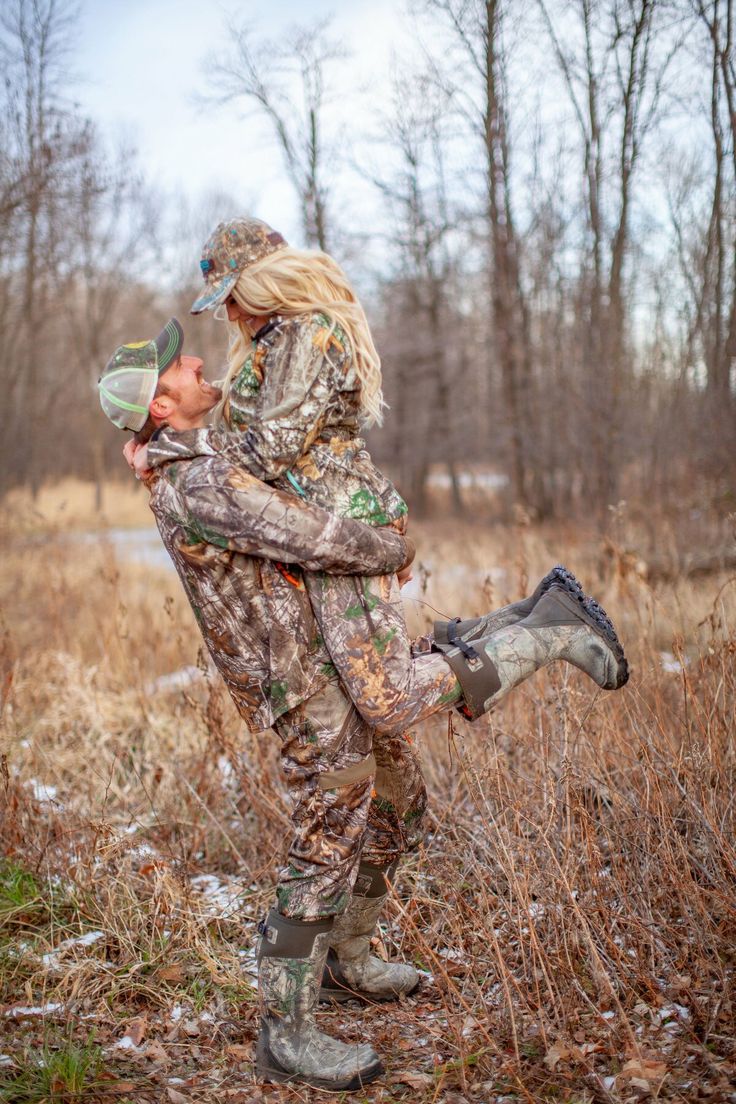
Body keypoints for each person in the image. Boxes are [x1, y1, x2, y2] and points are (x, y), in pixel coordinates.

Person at [115, 215, 628, 1088]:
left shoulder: (195, 448)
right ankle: (286, 1031)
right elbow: (304, 530)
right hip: (299, 682)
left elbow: (281, 462)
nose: (202, 354)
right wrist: (384, 549)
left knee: (400, 795)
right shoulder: (195, 476)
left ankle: (349, 956)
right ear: (160, 405)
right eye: (180, 365)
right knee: (330, 830)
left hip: (315, 648)